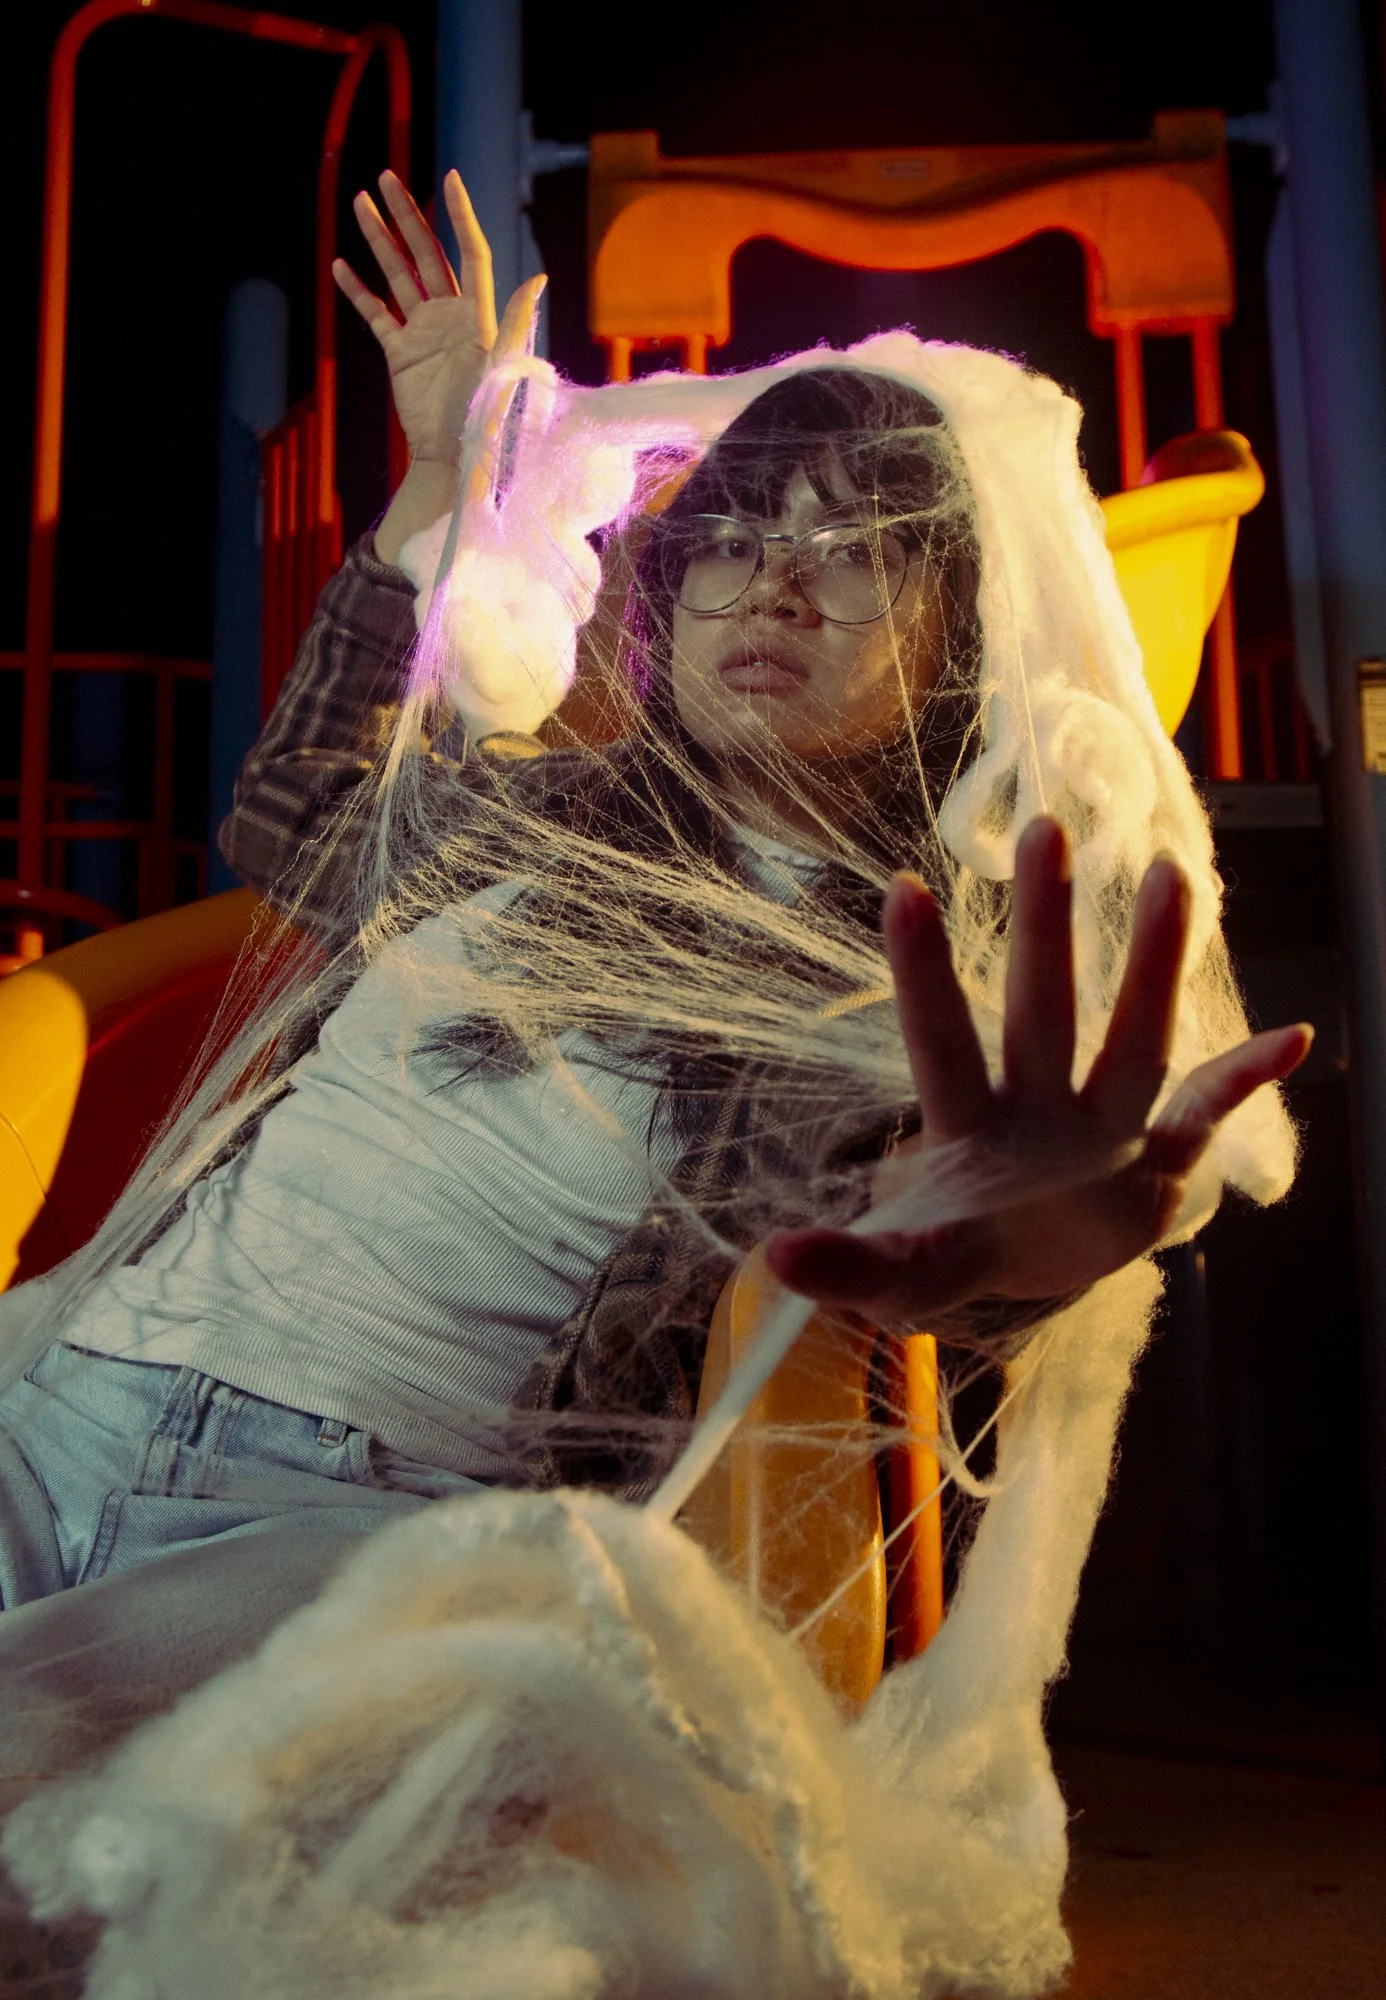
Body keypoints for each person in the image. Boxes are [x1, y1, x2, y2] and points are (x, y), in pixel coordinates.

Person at [0, 168, 1307, 1623]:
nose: (769, 593)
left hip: (356, 1522)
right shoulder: (547, 822)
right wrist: (442, 465)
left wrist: (1019, 1244)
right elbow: (297, 801)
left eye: (854, 557)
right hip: (54, 1392)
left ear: (955, 639)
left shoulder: (886, 965)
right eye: (733, 546)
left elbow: (884, 1213)